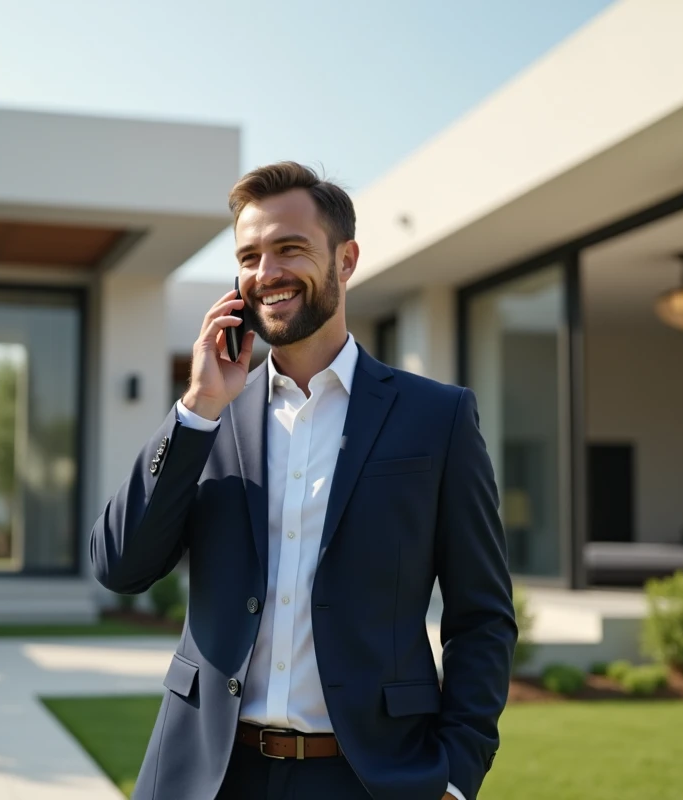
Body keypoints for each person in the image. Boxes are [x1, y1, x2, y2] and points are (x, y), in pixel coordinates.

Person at [90, 161, 516, 800]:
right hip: (208, 774)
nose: (267, 273)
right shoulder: (209, 417)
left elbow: (482, 616)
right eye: (250, 255)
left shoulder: (437, 418)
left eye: (290, 248)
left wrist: (457, 775)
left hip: (365, 776)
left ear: (346, 260)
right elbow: (119, 566)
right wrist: (198, 410)